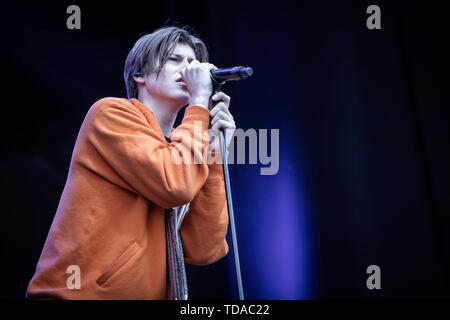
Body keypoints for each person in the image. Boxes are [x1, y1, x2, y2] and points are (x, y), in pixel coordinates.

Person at [26, 25, 236, 299]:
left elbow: (203, 248)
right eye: (175, 60)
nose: (188, 69)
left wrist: (214, 154)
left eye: (193, 63)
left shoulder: (182, 144)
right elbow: (175, 185)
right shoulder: (110, 113)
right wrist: (198, 103)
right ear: (139, 74)